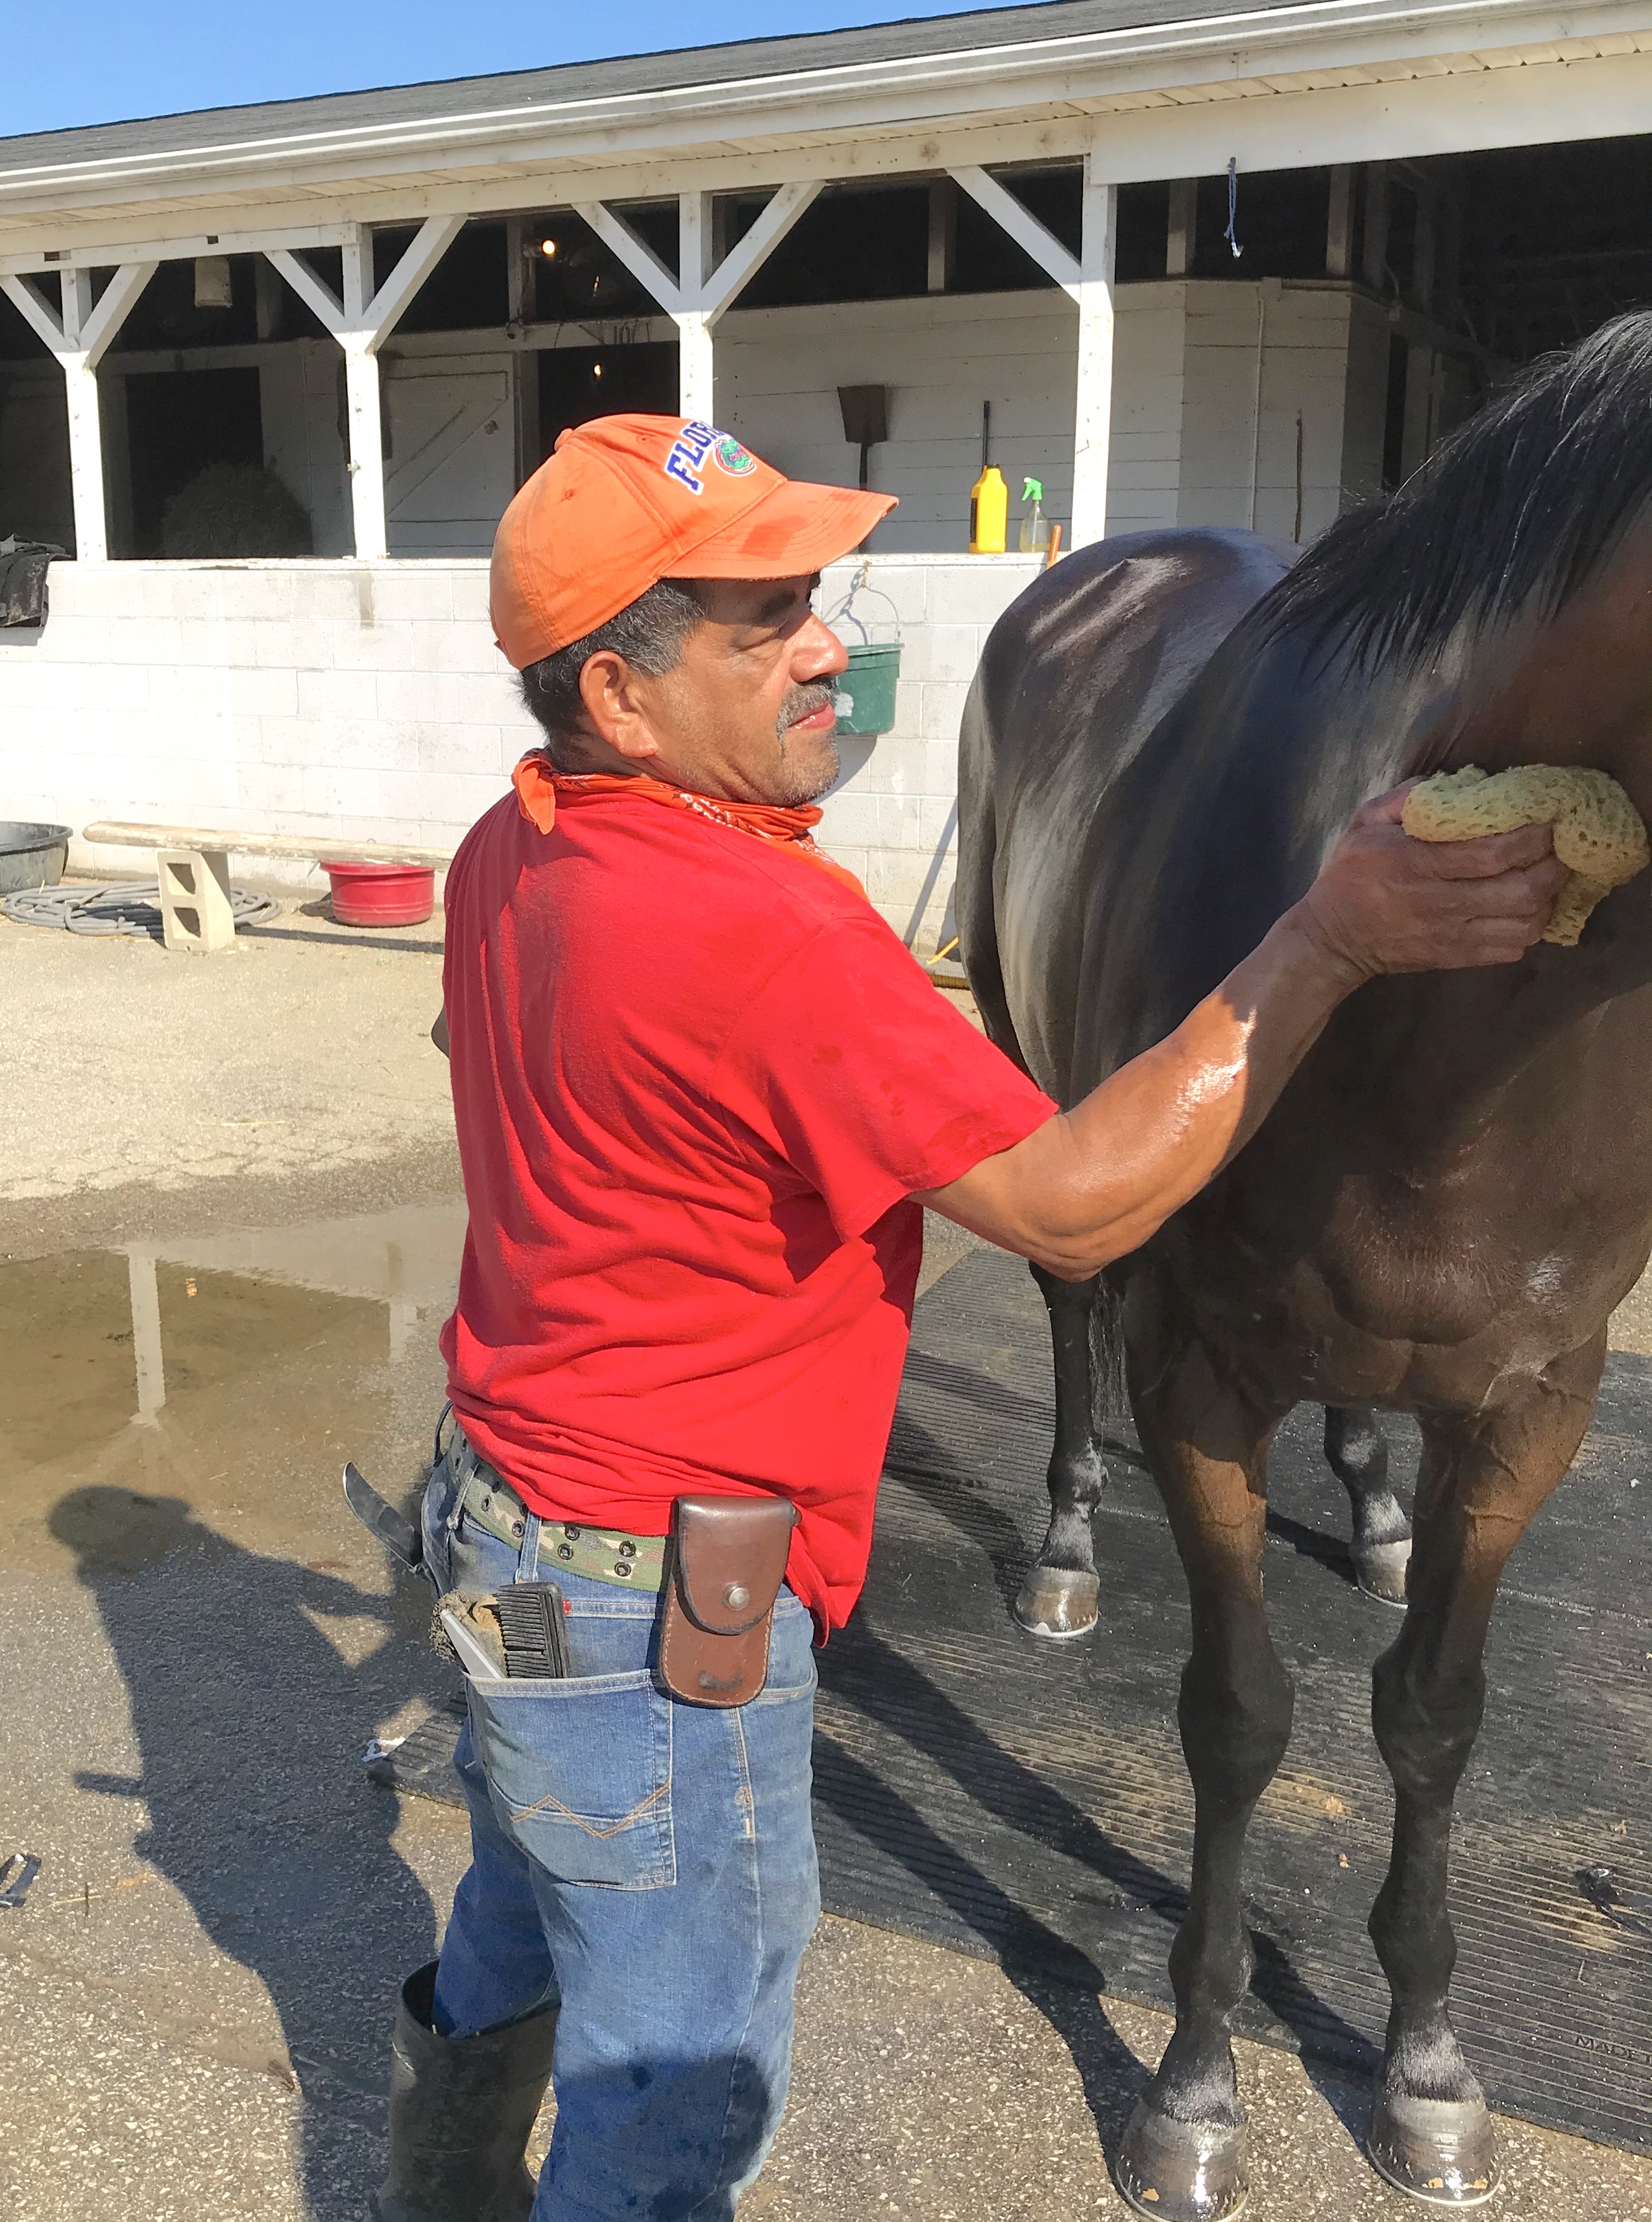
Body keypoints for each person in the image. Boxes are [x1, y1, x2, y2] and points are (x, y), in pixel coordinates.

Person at [376, 414, 1567, 2222]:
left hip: (498, 1526)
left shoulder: (508, 846)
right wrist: (1325, 938)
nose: (827, 648)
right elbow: (1073, 1204)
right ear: (618, 695)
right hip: (661, 1595)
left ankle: (433, 2185)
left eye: (815, 601)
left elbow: (490, 1055)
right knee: (678, 2077)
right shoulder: (766, 929)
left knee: (533, 1885)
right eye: (761, 620)